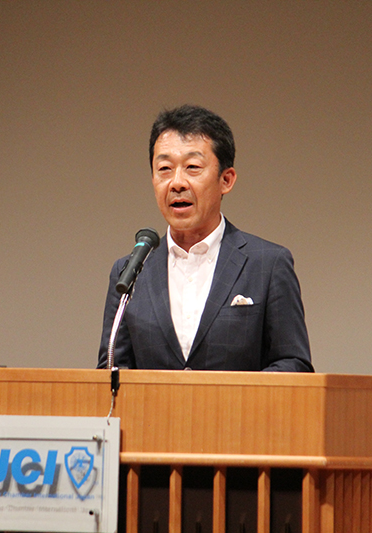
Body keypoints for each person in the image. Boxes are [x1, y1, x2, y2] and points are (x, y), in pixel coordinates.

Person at [97, 105, 313, 372]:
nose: (177, 183)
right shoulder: (130, 273)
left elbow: (293, 364)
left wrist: (226, 396)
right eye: (164, 168)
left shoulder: (268, 265)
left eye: (192, 167)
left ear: (226, 180)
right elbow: (112, 370)